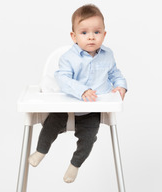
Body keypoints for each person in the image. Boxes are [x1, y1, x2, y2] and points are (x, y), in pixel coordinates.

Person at [28, 4, 127, 183]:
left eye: (96, 32)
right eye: (84, 33)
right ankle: (41, 150)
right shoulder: (68, 57)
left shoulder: (108, 55)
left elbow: (115, 73)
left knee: (89, 139)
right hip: (67, 105)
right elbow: (63, 78)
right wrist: (82, 90)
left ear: (104, 35)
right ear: (74, 36)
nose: (91, 37)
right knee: (50, 127)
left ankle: (75, 164)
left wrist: (121, 86)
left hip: (92, 108)